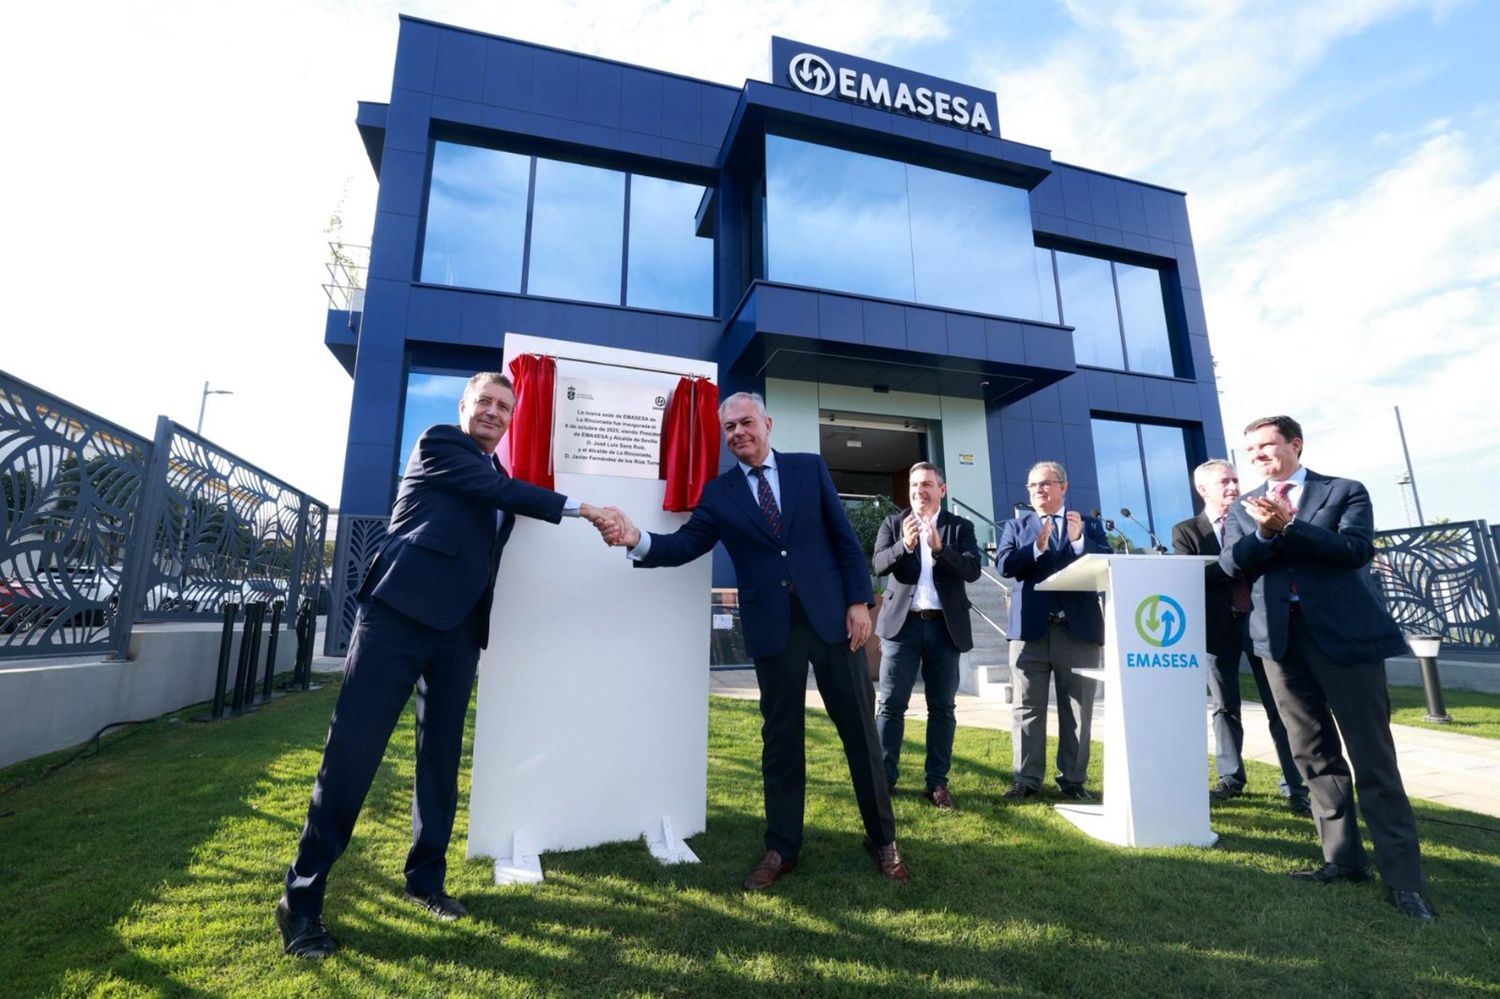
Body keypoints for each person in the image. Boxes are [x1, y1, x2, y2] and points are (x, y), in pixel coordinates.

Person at [276, 372, 614, 958]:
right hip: (397, 619)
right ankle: (300, 903)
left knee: (441, 759)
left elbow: (501, 508)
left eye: (504, 407)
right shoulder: (440, 444)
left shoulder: (497, 475)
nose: (493, 412)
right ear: (464, 407)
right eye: (484, 401)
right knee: (352, 756)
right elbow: (506, 497)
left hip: (459, 634)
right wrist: (586, 508)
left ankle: (425, 881)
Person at [601, 391, 907, 889]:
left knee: (860, 734)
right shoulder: (720, 494)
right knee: (781, 741)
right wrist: (639, 539)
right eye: (729, 429)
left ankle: (883, 839)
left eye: (746, 422)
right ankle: (782, 848)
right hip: (773, 631)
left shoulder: (810, 469)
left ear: (767, 423)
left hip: (834, 623)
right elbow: (686, 545)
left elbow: (844, 539)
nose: (738, 433)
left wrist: (859, 602)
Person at [1221, 415, 1435, 922]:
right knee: (1312, 755)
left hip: (1346, 641)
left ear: (1295, 445)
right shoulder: (1242, 507)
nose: (1258, 456)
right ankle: (1343, 859)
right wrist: (1270, 536)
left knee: (1373, 757)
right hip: (1280, 645)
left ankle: (1405, 881)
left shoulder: (1344, 491)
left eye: (1268, 446)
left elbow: (1353, 551)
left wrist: (1289, 528)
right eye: (1251, 450)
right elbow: (1232, 565)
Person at [1172, 459, 1311, 815]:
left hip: (1262, 623)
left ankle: (1296, 785)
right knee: (1224, 705)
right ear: (1203, 489)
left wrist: (1237, 558)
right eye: (1224, 482)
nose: (1233, 487)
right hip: (1217, 629)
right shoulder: (1186, 531)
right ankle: (1231, 778)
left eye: (1235, 480)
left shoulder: (1256, 520)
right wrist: (1239, 560)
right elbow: (1193, 576)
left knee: (1280, 705)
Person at [995, 461, 1111, 802]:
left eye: (1045, 484)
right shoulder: (1017, 527)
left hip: (1077, 632)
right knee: (1026, 707)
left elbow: (1108, 562)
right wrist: (1037, 548)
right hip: (1030, 632)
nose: (1038, 491)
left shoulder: (1088, 526)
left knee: (1077, 709)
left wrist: (1078, 544)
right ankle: (1026, 779)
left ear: (1063, 486)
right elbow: (1004, 565)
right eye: (1032, 486)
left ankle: (1073, 780)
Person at [871, 462, 982, 810]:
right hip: (901, 629)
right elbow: (877, 565)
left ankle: (937, 783)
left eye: (927, 484)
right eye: (914, 484)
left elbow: (972, 570)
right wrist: (905, 544)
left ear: (942, 490)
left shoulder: (960, 527)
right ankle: (884, 780)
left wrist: (939, 548)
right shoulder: (892, 523)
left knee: (943, 708)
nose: (920, 490)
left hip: (944, 628)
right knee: (890, 706)